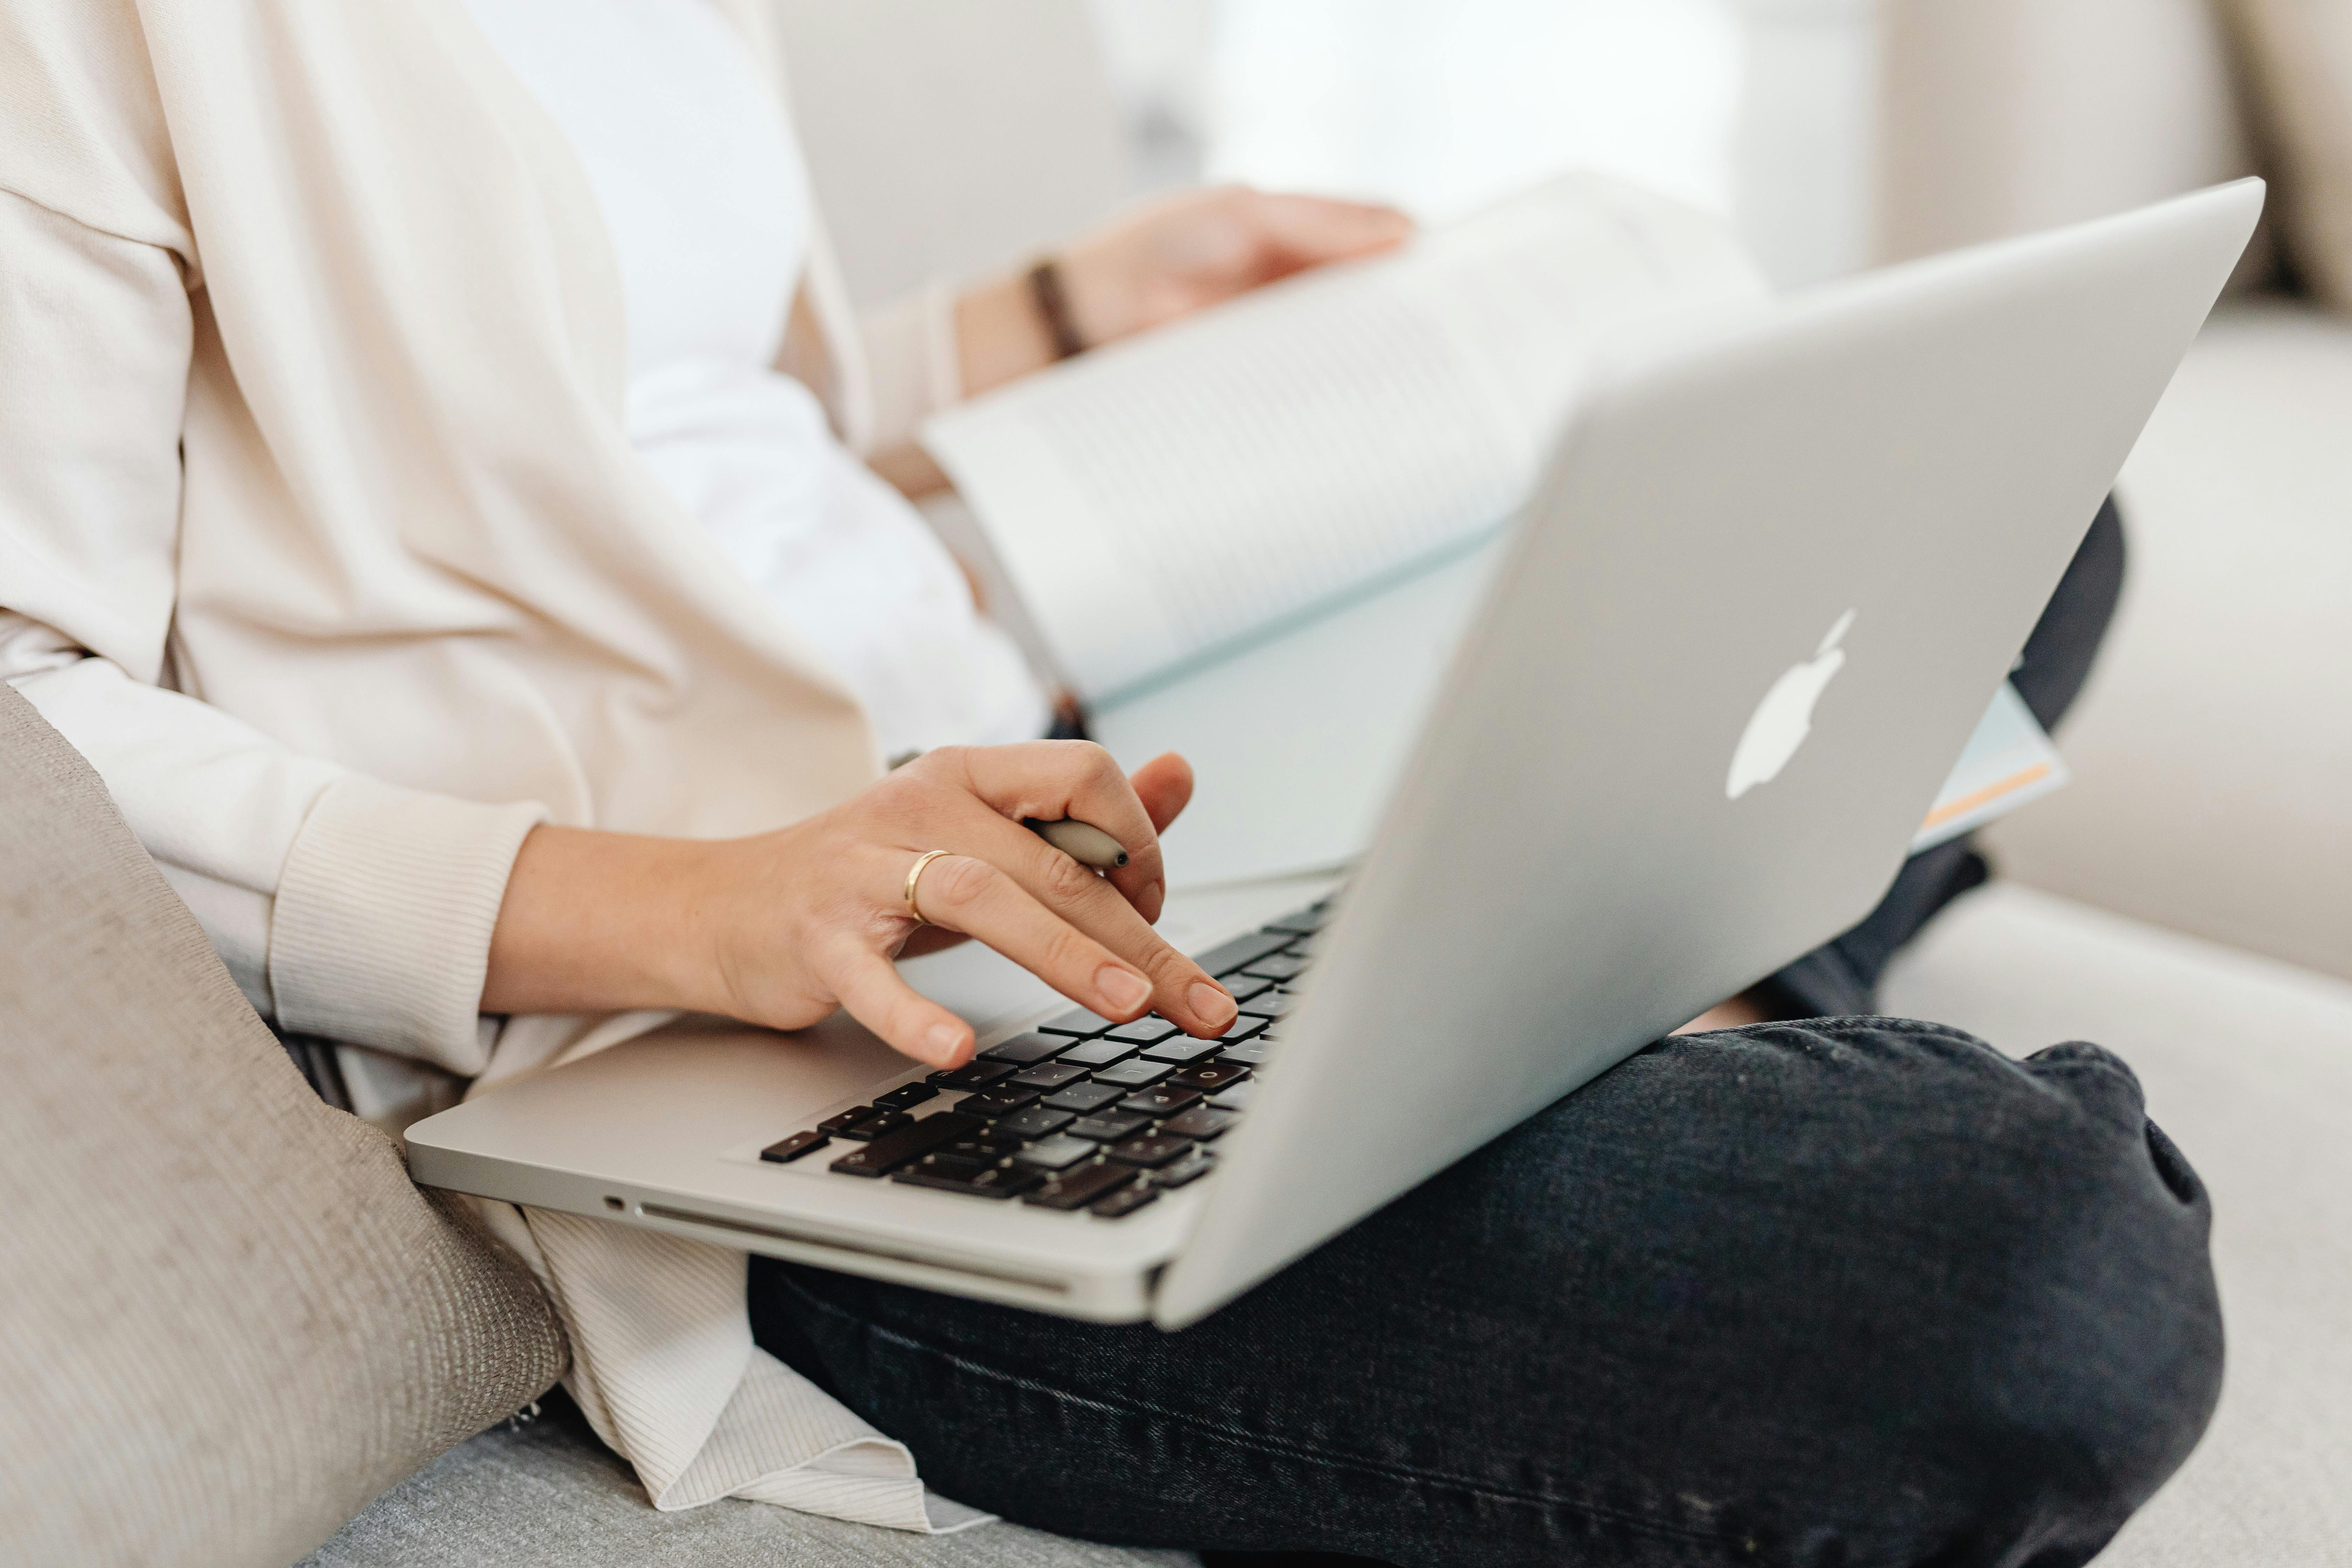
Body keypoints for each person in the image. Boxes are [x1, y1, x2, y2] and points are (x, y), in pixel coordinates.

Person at [0, 2, 2216, 1563]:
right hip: (764, 1033)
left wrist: (1055, 306)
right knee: (2044, 1274)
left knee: (1992, 523)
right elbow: (30, 703)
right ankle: (1599, 1004)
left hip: (1046, 768)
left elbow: (646, 410)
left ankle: (1515, 1003)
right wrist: (694, 905)